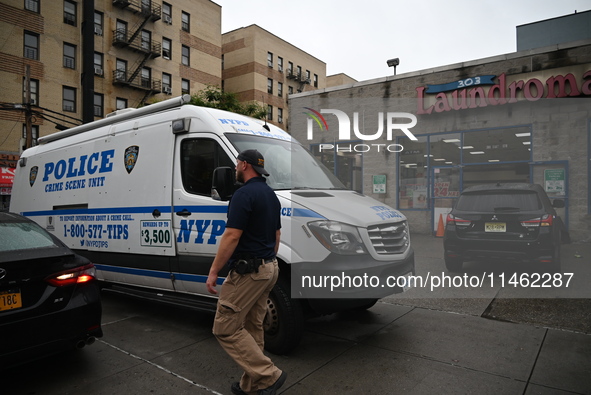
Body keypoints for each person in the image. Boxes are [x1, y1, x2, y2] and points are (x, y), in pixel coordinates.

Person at [206, 149, 286, 395]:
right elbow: (277, 236)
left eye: (237, 164)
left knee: (225, 327)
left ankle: (269, 376)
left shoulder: (243, 194)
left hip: (249, 272)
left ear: (243, 165)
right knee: (253, 328)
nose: (235, 168)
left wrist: (213, 271)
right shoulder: (271, 195)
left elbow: (232, 235)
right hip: (269, 268)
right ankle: (251, 386)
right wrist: (268, 261)